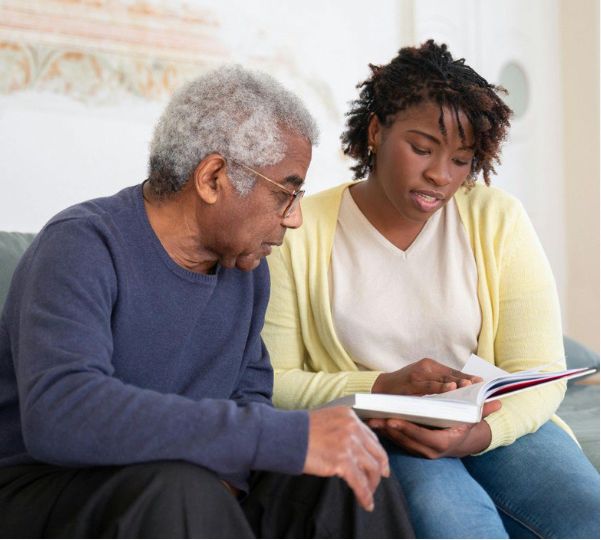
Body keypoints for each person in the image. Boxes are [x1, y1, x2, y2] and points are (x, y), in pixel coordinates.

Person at [0, 66, 415, 539]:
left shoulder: (247, 271)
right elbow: (62, 411)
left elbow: (249, 397)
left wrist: (246, 465)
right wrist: (273, 438)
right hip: (45, 486)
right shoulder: (82, 245)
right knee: (183, 490)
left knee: (348, 471)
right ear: (213, 177)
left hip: (188, 489)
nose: (296, 218)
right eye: (287, 192)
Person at [263, 41, 600, 539]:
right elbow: (275, 381)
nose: (440, 176)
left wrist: (480, 434)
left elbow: (542, 372)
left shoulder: (496, 219)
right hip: (387, 430)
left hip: (495, 421)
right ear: (376, 130)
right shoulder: (300, 229)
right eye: (421, 149)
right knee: (457, 526)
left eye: (461, 160)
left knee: (586, 513)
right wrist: (379, 387)